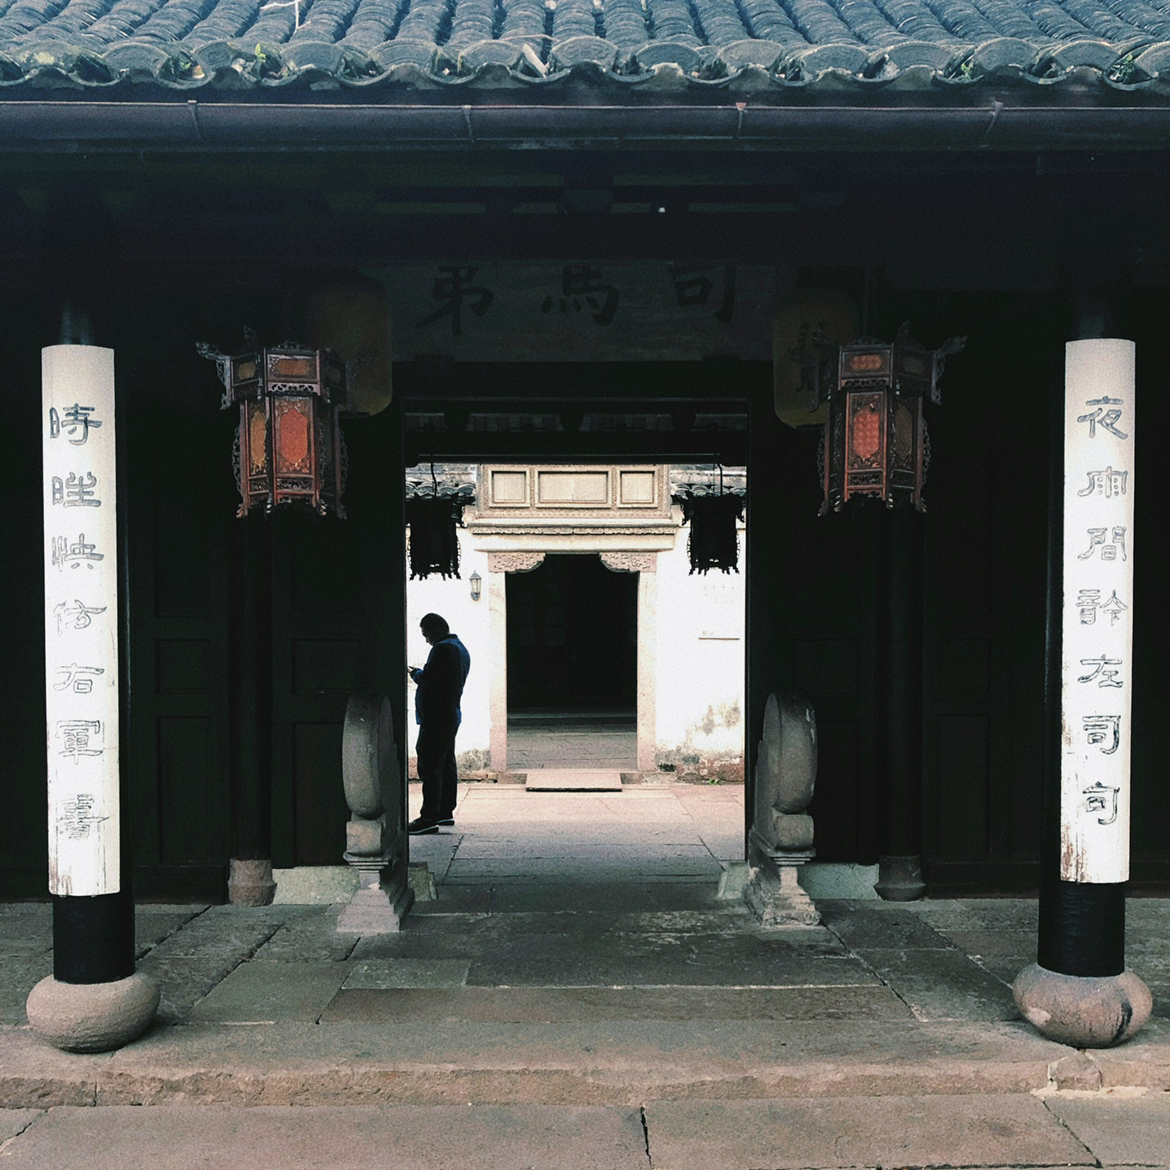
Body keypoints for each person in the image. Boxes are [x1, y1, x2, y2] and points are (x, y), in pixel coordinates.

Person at [407, 612, 471, 835]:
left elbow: (429, 679)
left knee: (430, 764)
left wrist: (416, 673)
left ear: (435, 630)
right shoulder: (460, 647)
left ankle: (429, 817)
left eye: (426, 634)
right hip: (450, 714)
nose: (426, 640)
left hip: (436, 716)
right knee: (446, 764)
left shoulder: (442, 649)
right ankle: (445, 811)